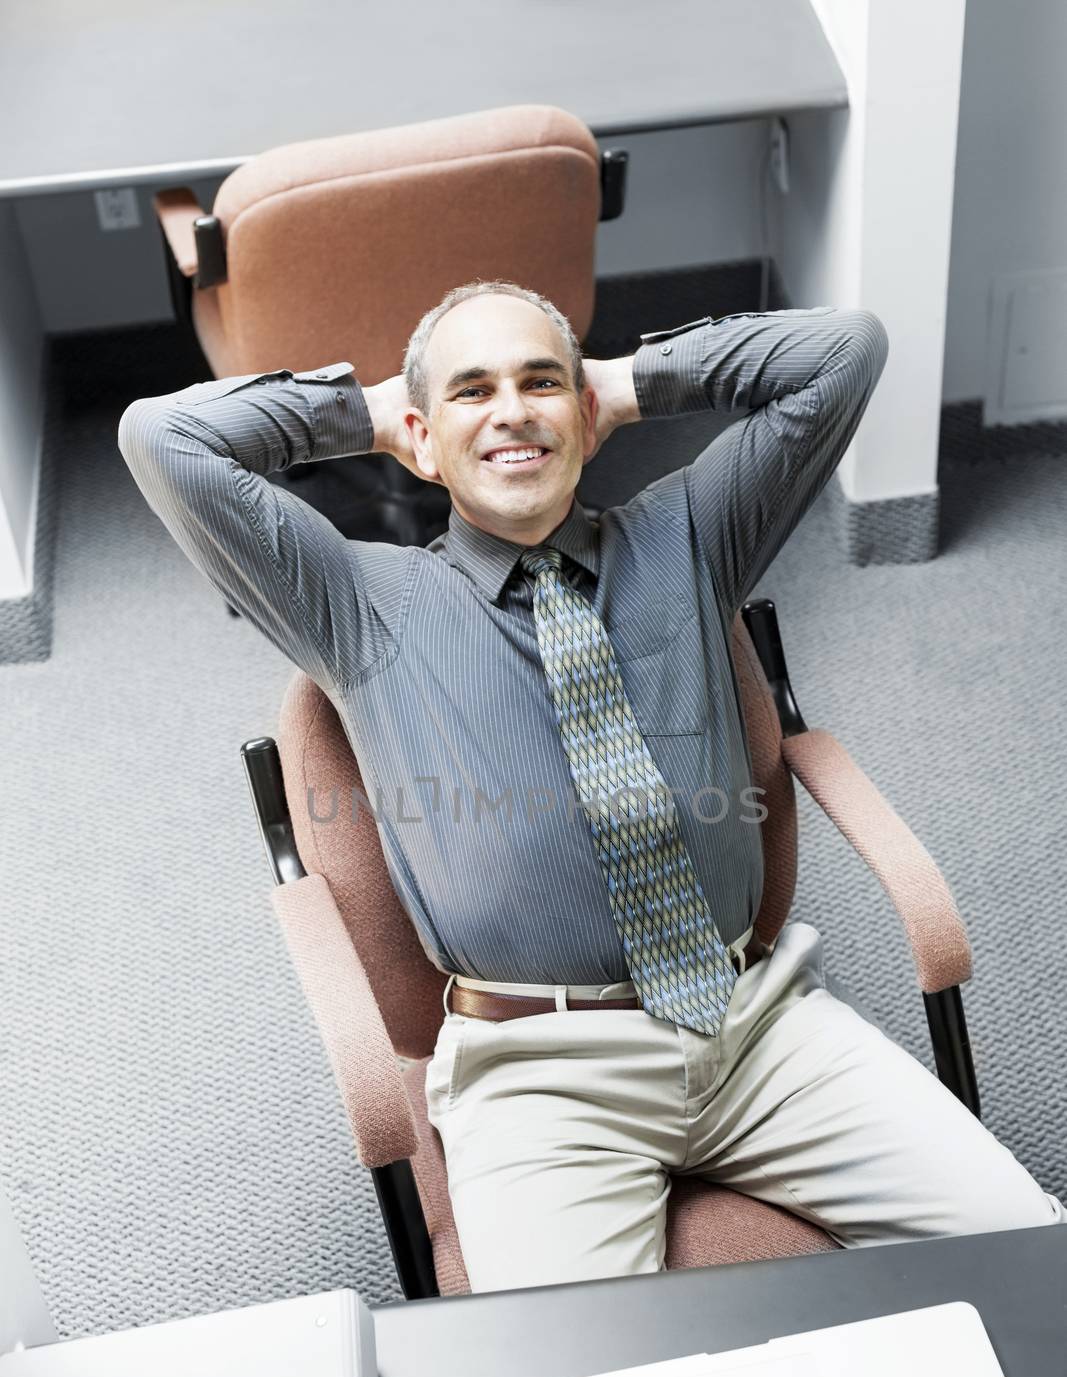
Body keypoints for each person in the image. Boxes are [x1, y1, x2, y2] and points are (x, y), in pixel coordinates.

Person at [118, 281, 1064, 1293]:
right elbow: (161, 436)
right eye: (472, 392)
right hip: (541, 1074)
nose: (513, 408)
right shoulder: (357, 602)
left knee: (1031, 1260)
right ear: (421, 439)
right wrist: (367, 410)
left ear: (583, 414)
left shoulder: (691, 537)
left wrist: (624, 381)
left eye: (539, 383)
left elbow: (844, 350)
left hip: (757, 1025)